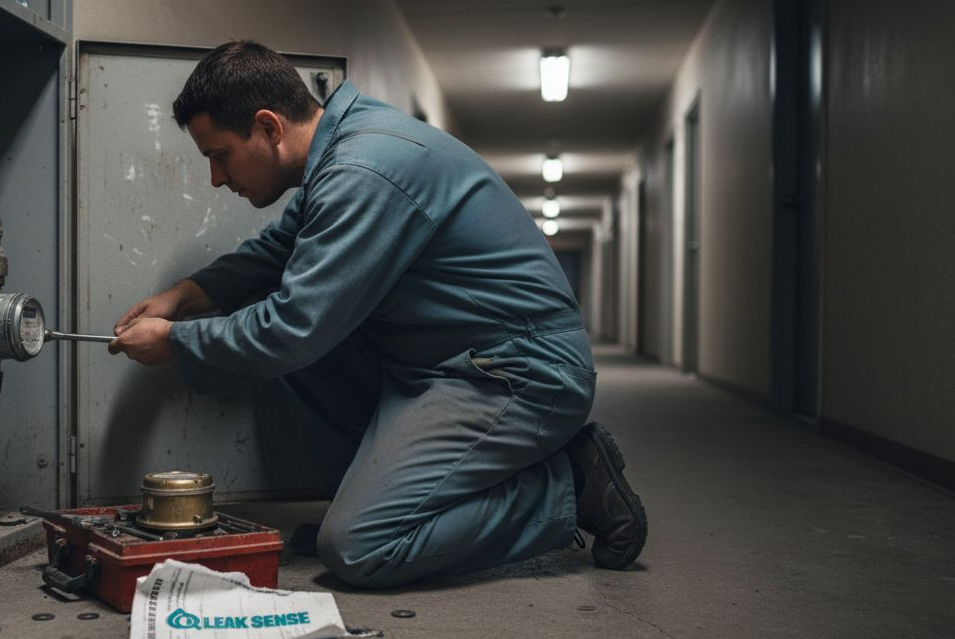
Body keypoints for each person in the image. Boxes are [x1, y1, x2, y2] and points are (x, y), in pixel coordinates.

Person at [108, 41, 647, 588]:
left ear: (268, 127)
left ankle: (569, 485)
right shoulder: (343, 145)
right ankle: (379, 499)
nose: (217, 178)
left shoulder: (364, 170)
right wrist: (185, 293)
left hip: (517, 373)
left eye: (218, 155)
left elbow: (295, 329)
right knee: (280, 321)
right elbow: (276, 254)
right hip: (450, 362)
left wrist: (176, 340)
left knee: (361, 547)